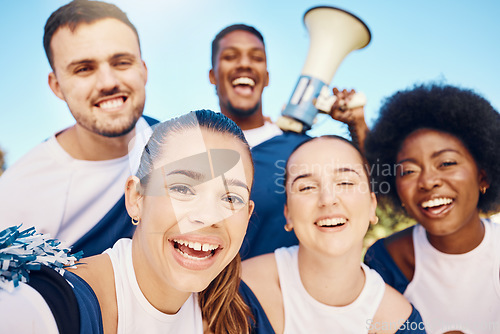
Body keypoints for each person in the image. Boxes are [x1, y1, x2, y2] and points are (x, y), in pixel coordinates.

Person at [1, 110, 256, 334]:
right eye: (183, 188)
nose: (207, 216)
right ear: (136, 198)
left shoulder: (233, 317)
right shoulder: (51, 303)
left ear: (248, 215)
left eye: (231, 198)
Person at [0, 0, 158, 257]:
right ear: (57, 86)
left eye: (121, 62)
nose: (108, 82)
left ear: (143, 70)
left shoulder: (182, 148)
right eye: (84, 69)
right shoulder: (16, 198)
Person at [209, 23, 369, 259]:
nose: (244, 64)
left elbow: (369, 191)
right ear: (213, 75)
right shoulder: (191, 147)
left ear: (267, 77)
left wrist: (357, 125)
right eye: (231, 56)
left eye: (256, 58)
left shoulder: (300, 149)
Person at [240, 135, 425, 333]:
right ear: (288, 214)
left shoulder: (400, 322)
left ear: (372, 205)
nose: (328, 199)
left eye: (345, 183)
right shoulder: (237, 289)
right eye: (307, 187)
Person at [363, 83, 500, 333]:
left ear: (483, 176)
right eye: (409, 171)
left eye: (446, 163)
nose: (427, 181)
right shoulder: (385, 260)